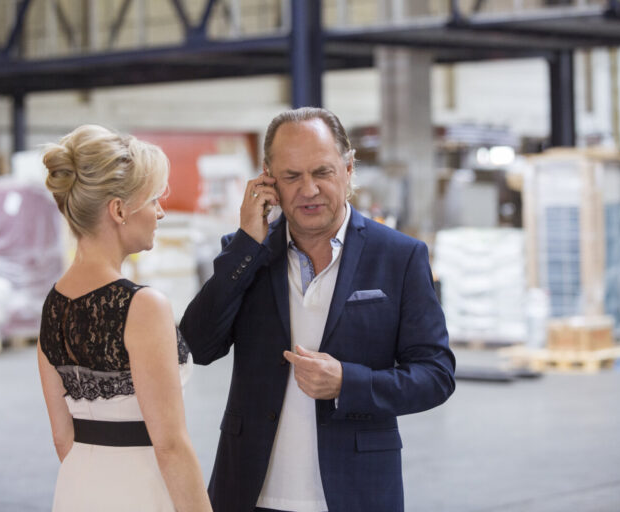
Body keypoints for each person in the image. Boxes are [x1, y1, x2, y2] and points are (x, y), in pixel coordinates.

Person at [180, 107, 456, 512]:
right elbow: (198, 346)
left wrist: (349, 383)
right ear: (268, 179)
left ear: (348, 168)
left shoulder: (399, 256)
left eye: (322, 172)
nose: (308, 190)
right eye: (292, 176)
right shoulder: (246, 254)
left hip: (355, 495)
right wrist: (246, 244)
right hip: (249, 493)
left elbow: (435, 375)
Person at [37, 125, 212, 512]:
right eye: (153, 199)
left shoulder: (53, 305)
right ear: (118, 211)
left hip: (76, 489)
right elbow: (170, 446)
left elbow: (62, 437)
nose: (160, 212)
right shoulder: (144, 306)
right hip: (140, 490)